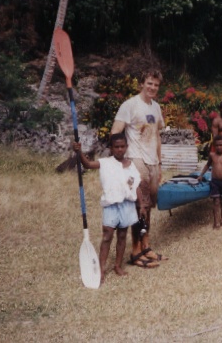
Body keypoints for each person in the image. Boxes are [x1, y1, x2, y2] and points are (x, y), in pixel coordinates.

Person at [73, 133, 158, 285]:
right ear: (111, 148)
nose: (119, 149)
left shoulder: (130, 165)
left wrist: (142, 205)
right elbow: (88, 164)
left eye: (122, 146)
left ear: (126, 147)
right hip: (111, 204)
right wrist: (79, 152)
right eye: (116, 147)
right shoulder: (105, 163)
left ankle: (117, 266)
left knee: (122, 235)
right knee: (107, 236)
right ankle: (100, 268)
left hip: (127, 204)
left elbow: (136, 185)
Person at [111, 67, 168, 265]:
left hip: (152, 162)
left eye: (156, 85)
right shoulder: (130, 105)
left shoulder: (156, 107)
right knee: (139, 207)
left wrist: (159, 164)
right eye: (149, 83)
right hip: (136, 160)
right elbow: (115, 132)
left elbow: (157, 136)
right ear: (142, 84)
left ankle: (146, 246)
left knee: (149, 206)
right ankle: (135, 252)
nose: (152, 87)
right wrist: (120, 161)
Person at [197, 135, 222, 229]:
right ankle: (216, 222)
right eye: (217, 145)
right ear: (214, 145)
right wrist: (201, 175)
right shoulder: (212, 155)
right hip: (215, 182)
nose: (219, 147)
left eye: (221, 145)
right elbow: (207, 165)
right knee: (216, 201)